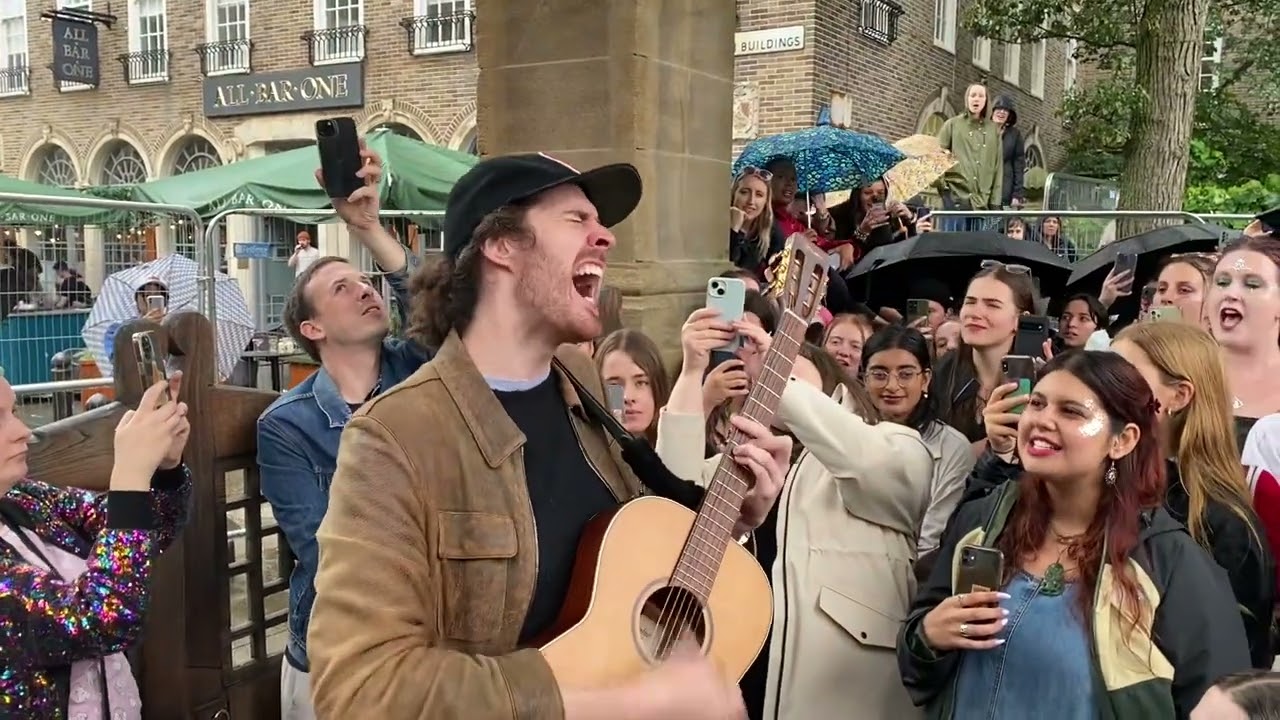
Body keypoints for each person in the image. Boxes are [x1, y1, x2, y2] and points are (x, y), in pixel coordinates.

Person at [306, 153, 793, 719]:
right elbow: (359, 691)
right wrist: (622, 703)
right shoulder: (394, 437)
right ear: (501, 245)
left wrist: (732, 516)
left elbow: (617, 568)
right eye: (576, 220)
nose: (606, 238)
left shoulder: (580, 384)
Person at [256, 141, 433, 720]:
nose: (364, 289)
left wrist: (368, 228)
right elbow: (321, 548)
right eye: (341, 288)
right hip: (338, 652)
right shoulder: (288, 425)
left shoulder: (418, 368)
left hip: (434, 637)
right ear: (313, 328)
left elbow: (443, 310)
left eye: (364, 280)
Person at [0, 375, 192, 716]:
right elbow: (103, 618)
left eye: (13, 411)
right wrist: (130, 478)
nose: (22, 431)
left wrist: (165, 469)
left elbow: (143, 534)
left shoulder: (23, 499)